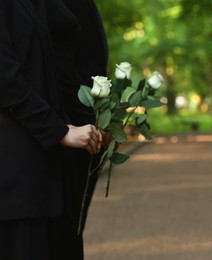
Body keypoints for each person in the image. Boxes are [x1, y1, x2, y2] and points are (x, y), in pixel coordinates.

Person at [0, 0, 102, 259]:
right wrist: (59, 131)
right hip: (17, 178)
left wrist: (96, 119)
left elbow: (58, 72)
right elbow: (5, 80)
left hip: (47, 173)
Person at [45, 0, 110, 259]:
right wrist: (87, 120)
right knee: (62, 232)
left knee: (73, 228)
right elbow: (61, 65)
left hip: (87, 124)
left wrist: (104, 115)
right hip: (69, 125)